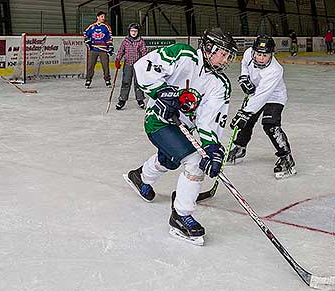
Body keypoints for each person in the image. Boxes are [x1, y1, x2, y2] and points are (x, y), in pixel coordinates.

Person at [124, 28, 237, 245]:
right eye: (222, 53)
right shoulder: (183, 55)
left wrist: (211, 147)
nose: (226, 59)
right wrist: (161, 91)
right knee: (194, 162)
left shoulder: (220, 84)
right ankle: (181, 216)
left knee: (170, 159)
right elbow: (144, 66)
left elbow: (208, 119)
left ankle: (141, 177)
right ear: (209, 48)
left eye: (227, 55)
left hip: (182, 126)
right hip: (158, 121)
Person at [227, 35, 296, 179]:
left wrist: (245, 112)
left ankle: (286, 158)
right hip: (257, 93)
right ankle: (240, 148)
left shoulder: (275, 70)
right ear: (253, 51)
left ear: (272, 54)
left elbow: (262, 96)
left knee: (270, 125)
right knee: (247, 121)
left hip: (274, 96)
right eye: (258, 54)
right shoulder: (248, 53)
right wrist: (245, 77)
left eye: (266, 55)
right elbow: (245, 65)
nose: (261, 58)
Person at [114, 23, 148, 110]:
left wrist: (145, 63)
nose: (134, 33)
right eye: (132, 31)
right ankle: (122, 100)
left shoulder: (141, 41)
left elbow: (144, 52)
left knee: (138, 83)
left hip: (138, 66)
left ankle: (140, 99)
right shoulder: (126, 41)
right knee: (126, 82)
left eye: (135, 31)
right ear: (129, 31)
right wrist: (118, 59)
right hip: (128, 64)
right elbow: (121, 51)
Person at [83, 11, 114, 88]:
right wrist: (88, 41)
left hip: (103, 50)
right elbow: (85, 34)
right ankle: (88, 79)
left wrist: (110, 47)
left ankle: (107, 80)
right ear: (97, 17)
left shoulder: (106, 27)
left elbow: (109, 38)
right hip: (93, 49)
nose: (103, 18)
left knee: (105, 66)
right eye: (101, 16)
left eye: (104, 17)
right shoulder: (91, 26)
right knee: (90, 65)